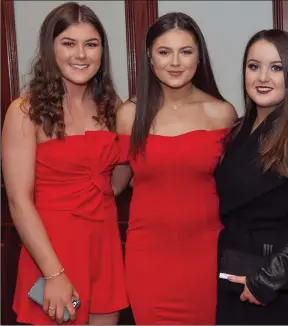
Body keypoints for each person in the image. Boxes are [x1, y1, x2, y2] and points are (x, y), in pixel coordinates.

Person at [1, 3, 128, 324]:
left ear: (102, 51)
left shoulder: (113, 106)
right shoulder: (24, 111)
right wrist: (54, 273)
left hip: (104, 247)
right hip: (50, 252)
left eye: (91, 44)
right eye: (68, 43)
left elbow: (119, 175)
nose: (81, 55)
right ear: (50, 49)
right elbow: (18, 201)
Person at [115, 12, 237, 324]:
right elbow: (116, 184)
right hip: (148, 257)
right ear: (149, 57)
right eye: (164, 51)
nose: (175, 62)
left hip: (205, 255)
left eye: (186, 51)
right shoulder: (130, 113)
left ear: (199, 57)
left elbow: (237, 188)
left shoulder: (222, 113)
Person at [214, 29, 288, 324]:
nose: (262, 77)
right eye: (254, 66)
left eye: (276, 68)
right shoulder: (240, 129)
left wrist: (268, 281)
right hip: (236, 275)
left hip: (277, 289)